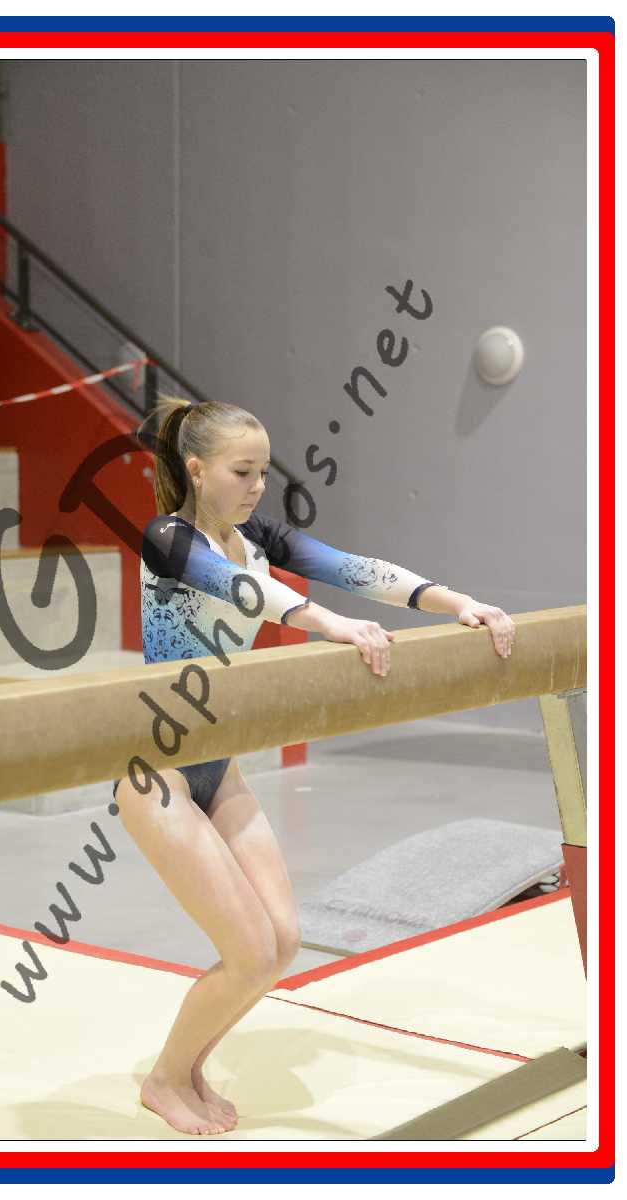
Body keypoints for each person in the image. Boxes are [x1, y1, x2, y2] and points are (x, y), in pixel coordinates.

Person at [112, 396, 516, 1136]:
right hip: (159, 771)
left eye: (263, 472)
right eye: (241, 472)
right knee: (247, 951)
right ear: (195, 469)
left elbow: (353, 568)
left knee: (281, 943)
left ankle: (190, 1068)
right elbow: (243, 590)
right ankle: (164, 1079)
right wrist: (327, 623)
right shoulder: (167, 538)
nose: (257, 486)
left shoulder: (256, 537)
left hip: (217, 767)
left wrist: (459, 602)